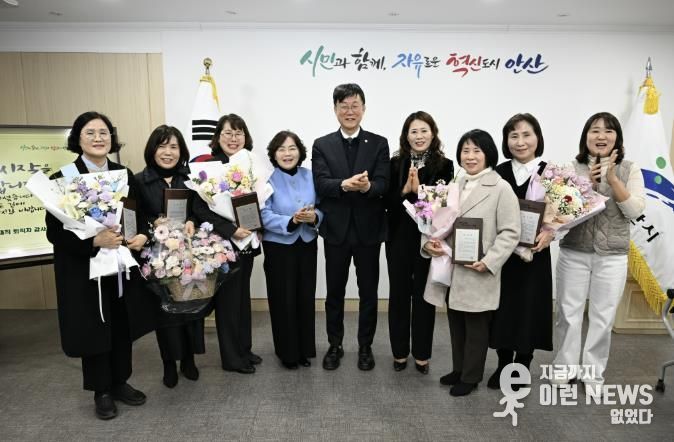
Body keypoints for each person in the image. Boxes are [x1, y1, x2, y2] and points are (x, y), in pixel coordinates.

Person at [45, 111, 156, 420]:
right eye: (90, 132)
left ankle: (120, 381)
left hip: (119, 264)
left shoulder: (123, 173)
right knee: (94, 326)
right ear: (78, 139)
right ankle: (101, 390)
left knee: (121, 323)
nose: (98, 138)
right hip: (85, 269)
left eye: (104, 132)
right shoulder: (63, 178)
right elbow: (55, 232)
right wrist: (94, 241)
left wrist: (139, 235)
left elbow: (135, 214)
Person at [552, 112, 645, 397]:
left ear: (617, 137)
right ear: (586, 137)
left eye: (608, 131)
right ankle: (564, 369)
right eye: (594, 130)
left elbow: (635, 212)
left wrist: (612, 179)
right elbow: (561, 215)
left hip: (612, 255)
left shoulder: (630, 169)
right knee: (568, 314)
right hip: (574, 251)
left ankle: (592, 373)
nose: (601, 136)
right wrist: (587, 186)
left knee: (603, 317)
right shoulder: (571, 168)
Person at [423, 129, 520, 396]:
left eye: (477, 150)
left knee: (476, 327)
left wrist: (489, 261)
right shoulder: (454, 185)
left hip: (478, 269)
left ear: (488, 154)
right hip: (452, 268)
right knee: (456, 323)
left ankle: (471, 376)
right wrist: (430, 243)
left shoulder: (501, 188)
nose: (470, 156)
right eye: (465, 151)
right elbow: (435, 223)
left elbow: (511, 232)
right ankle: (459, 369)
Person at [312, 83, 390, 371]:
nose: (349, 111)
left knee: (368, 293)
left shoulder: (379, 143)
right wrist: (344, 184)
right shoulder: (322, 144)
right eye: (343, 106)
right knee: (335, 292)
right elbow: (321, 183)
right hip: (336, 230)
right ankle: (335, 344)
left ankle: (365, 346)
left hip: (369, 230)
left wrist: (368, 187)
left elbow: (384, 183)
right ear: (335, 110)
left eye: (354, 105)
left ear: (363, 109)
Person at [487, 113, 554, 389]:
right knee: (502, 308)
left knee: (530, 308)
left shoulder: (551, 174)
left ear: (538, 138)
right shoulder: (497, 173)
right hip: (503, 255)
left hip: (534, 255)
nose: (520, 141)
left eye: (527, 134)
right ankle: (503, 363)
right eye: (513, 136)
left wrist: (551, 232)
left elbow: (563, 213)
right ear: (506, 141)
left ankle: (523, 364)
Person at [192, 113, 263, 374]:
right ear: (217, 137)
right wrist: (232, 230)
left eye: (239, 133)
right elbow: (200, 208)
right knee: (228, 302)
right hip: (223, 244)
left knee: (242, 298)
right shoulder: (207, 166)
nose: (234, 138)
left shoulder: (250, 164)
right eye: (228, 133)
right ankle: (231, 358)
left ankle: (244, 348)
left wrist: (255, 227)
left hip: (247, 241)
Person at [135, 125, 204, 388]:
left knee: (190, 307)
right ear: (152, 150)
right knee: (164, 312)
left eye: (173, 147)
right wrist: (153, 224)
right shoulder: (139, 181)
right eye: (162, 146)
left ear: (181, 151)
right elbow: (135, 216)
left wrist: (192, 220)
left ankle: (188, 359)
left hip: (187, 252)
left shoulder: (190, 179)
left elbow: (200, 209)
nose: (168, 152)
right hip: (156, 256)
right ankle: (168, 363)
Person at [385, 111, 453, 374]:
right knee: (399, 295)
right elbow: (387, 204)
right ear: (406, 136)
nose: (419, 136)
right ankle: (399, 352)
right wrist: (405, 190)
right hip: (398, 238)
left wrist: (420, 192)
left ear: (433, 133)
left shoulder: (445, 165)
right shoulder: (394, 164)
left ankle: (422, 354)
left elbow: (444, 207)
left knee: (424, 296)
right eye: (413, 131)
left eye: (424, 130)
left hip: (429, 240)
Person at [261, 131, 322, 369]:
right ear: (274, 154)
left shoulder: (312, 176)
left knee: (305, 298)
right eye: (281, 149)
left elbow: (323, 206)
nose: (287, 154)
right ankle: (288, 353)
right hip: (279, 247)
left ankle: (304, 349)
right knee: (283, 300)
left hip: (306, 243)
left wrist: (314, 217)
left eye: (292, 148)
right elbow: (263, 214)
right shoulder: (266, 180)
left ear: (300, 151)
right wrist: (292, 220)